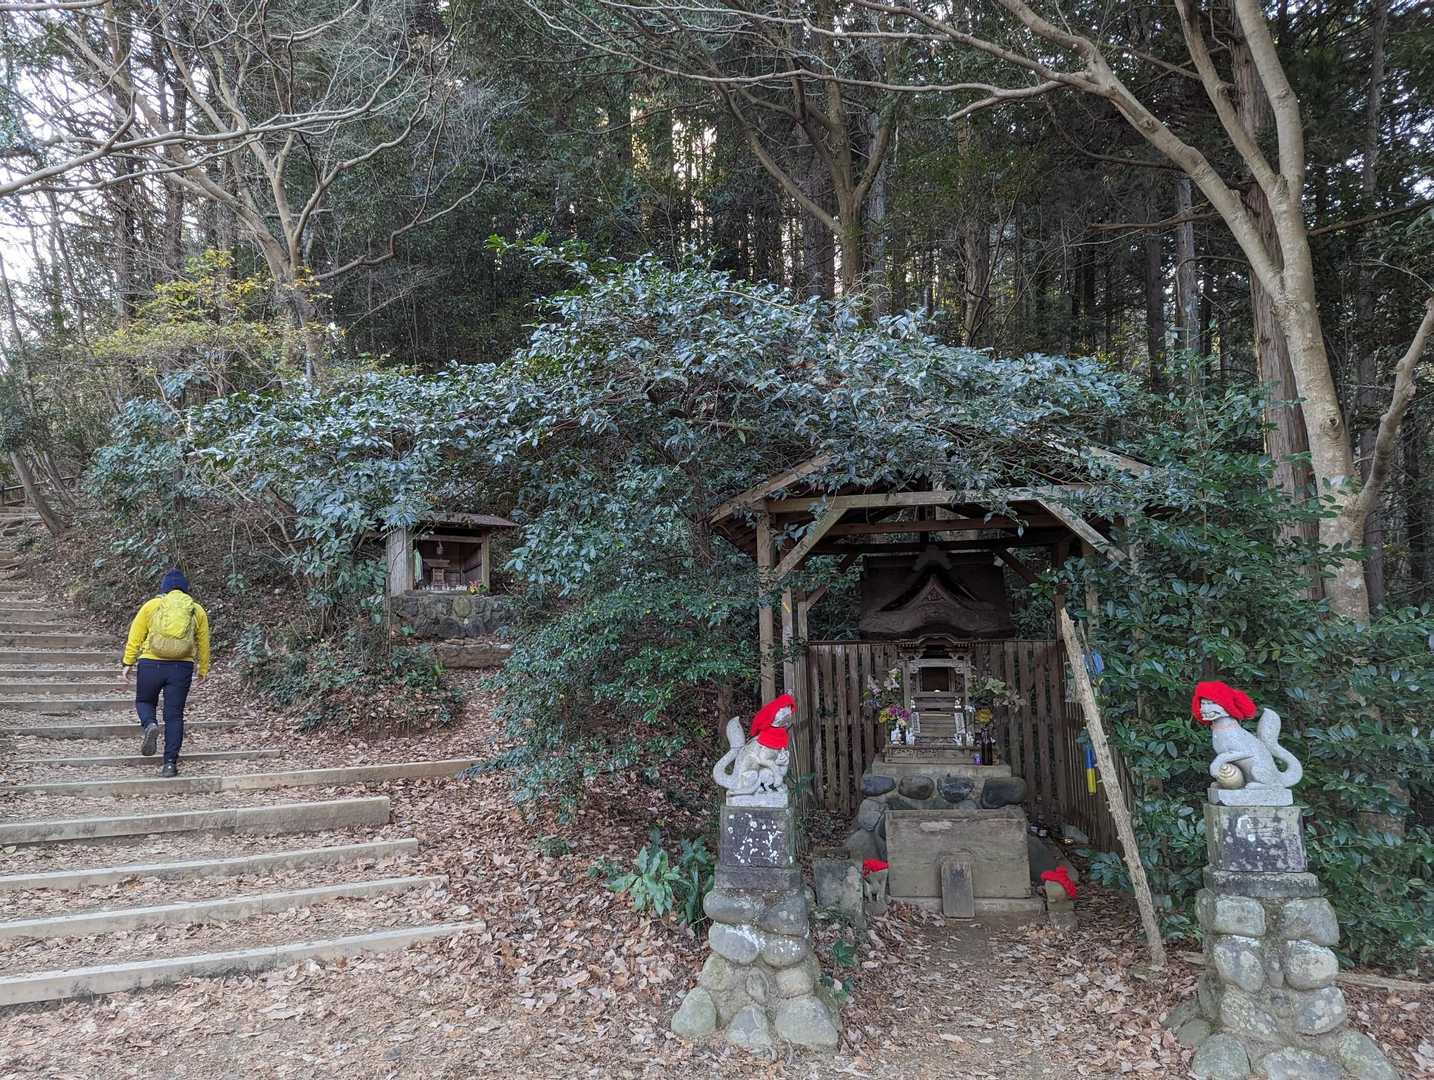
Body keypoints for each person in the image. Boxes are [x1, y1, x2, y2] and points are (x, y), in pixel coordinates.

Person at [122, 568, 210, 777]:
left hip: (150, 663)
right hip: (181, 667)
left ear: (164, 588)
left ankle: (150, 724)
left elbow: (136, 635)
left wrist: (128, 662)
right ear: (186, 589)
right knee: (174, 715)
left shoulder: (152, 605)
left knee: (144, 701)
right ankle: (170, 764)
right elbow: (203, 641)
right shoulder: (196, 610)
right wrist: (203, 669)